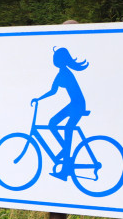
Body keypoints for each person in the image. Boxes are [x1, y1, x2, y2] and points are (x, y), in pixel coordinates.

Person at [32, 47, 90, 180]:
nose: (54, 60)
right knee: (52, 123)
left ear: (61, 60)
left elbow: (55, 91)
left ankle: (65, 168)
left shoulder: (65, 74)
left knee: (68, 129)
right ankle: (65, 149)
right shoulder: (61, 73)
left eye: (56, 58)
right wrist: (38, 99)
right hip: (74, 104)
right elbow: (53, 91)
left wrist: (39, 99)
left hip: (78, 104)